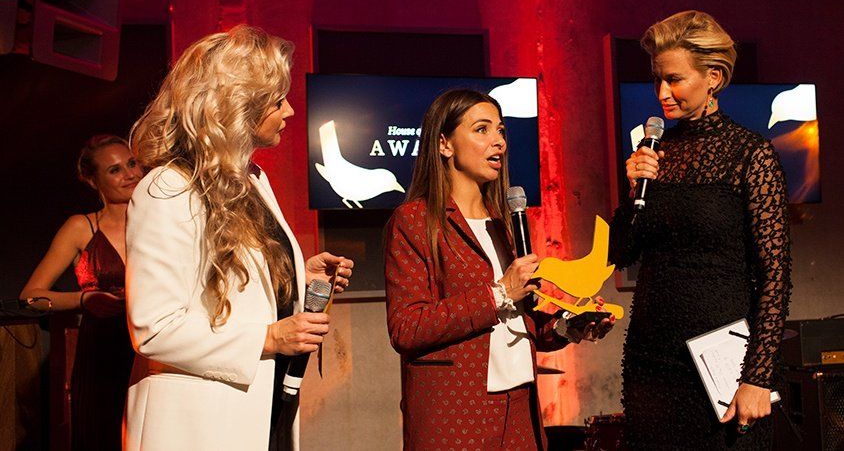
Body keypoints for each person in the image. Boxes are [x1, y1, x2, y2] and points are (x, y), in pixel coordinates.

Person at [124, 25, 353, 451]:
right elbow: (154, 329)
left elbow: (231, 287)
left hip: (263, 409)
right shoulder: (167, 189)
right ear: (237, 104)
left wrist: (297, 278)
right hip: (198, 423)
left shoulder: (253, 180)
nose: (289, 111)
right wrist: (269, 338)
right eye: (276, 99)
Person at [385, 89, 614, 449]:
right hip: (457, 412)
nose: (498, 142)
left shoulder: (503, 224)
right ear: (444, 144)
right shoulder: (414, 220)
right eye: (482, 130)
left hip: (520, 408)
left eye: (502, 131)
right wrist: (501, 292)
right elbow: (406, 327)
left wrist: (569, 326)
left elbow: (520, 323)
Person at [610, 10, 792, 449]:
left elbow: (775, 277)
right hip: (651, 362)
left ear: (713, 77)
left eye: (674, 79)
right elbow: (623, 252)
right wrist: (634, 189)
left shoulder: (751, 155)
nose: (662, 93)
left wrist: (757, 377)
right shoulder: (655, 154)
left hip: (723, 369)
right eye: (657, 80)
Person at [20, 134, 141, 450]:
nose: (129, 174)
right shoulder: (81, 227)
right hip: (102, 355)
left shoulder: (161, 220)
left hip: (151, 353)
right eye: (114, 170)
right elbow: (30, 296)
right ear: (93, 181)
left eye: (132, 163)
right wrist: (84, 299)